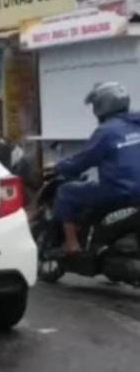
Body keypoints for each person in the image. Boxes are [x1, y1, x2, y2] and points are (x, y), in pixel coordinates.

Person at [53, 82, 140, 254]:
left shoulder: (107, 131)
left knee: (66, 192)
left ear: (102, 104)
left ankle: (72, 244)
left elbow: (82, 161)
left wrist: (60, 167)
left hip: (120, 191)